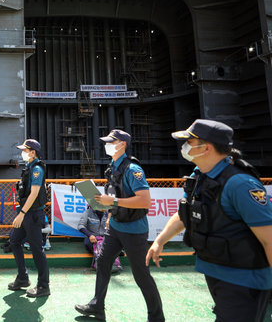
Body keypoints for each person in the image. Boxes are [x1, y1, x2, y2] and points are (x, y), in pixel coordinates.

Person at [146, 119, 272, 322]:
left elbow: (269, 238)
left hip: (244, 280)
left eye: (189, 141)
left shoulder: (240, 184)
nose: (184, 146)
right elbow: (185, 214)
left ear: (206, 148)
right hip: (216, 271)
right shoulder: (200, 177)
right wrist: (160, 241)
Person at [75, 129, 164, 322]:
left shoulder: (133, 169)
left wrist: (113, 203)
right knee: (103, 262)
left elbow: (144, 201)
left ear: (122, 144)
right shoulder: (113, 167)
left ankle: (157, 318)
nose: (106, 145)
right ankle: (97, 306)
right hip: (115, 227)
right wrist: (108, 210)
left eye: (110, 142)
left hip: (134, 230)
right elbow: (116, 195)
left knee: (141, 276)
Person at [8, 139, 50, 298]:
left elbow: (34, 193)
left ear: (33, 152)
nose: (23, 153)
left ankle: (44, 286)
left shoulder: (37, 169)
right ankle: (23, 278)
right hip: (26, 213)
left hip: (32, 215)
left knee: (37, 249)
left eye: (25, 150)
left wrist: (22, 213)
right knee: (14, 241)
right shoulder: (29, 167)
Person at [77, 207, 122, 272]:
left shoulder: (109, 213)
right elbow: (80, 226)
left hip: (106, 237)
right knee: (95, 244)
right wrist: (90, 235)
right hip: (93, 238)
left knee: (113, 243)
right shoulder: (87, 212)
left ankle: (113, 265)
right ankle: (103, 265)